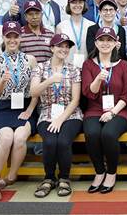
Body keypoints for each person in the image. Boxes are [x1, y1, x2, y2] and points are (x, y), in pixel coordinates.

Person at [0, 21, 38, 201]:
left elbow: (35, 91)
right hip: (3, 107)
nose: (12, 39)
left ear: (20, 38)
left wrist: (30, 111)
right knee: (7, 138)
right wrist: (2, 80)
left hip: (25, 107)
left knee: (20, 137)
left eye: (15, 36)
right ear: (3, 38)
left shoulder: (30, 59)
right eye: (9, 36)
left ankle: (11, 177)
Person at [29, 33, 83, 198]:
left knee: (64, 141)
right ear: (52, 48)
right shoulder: (40, 67)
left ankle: (64, 179)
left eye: (67, 46)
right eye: (60, 46)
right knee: (51, 141)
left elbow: (75, 100)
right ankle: (49, 178)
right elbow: (33, 92)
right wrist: (50, 80)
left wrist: (60, 119)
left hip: (71, 114)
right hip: (47, 113)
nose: (64, 49)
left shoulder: (73, 69)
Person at [81, 27, 127, 194]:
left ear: (115, 43)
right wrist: (97, 80)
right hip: (95, 109)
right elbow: (88, 92)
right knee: (92, 133)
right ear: (95, 43)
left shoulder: (123, 65)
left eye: (109, 40)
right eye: (101, 40)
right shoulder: (88, 64)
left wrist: (112, 112)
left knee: (108, 134)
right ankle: (99, 172)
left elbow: (126, 95)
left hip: (118, 110)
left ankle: (111, 172)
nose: (105, 43)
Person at [55, 0, 94, 68]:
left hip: (87, 69)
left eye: (80, 2)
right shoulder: (61, 26)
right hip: (66, 69)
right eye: (74, 2)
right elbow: (57, 51)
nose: (77, 5)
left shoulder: (92, 25)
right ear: (69, 5)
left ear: (84, 4)